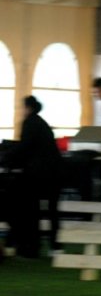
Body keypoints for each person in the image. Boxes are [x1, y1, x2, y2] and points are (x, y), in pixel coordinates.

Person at [4, 95, 63, 258]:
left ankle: (27, 246)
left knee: (25, 206)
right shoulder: (41, 123)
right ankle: (55, 247)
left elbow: (24, 148)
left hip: (40, 175)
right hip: (54, 173)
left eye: (22, 107)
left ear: (28, 108)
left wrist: (5, 157)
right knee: (52, 212)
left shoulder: (29, 122)